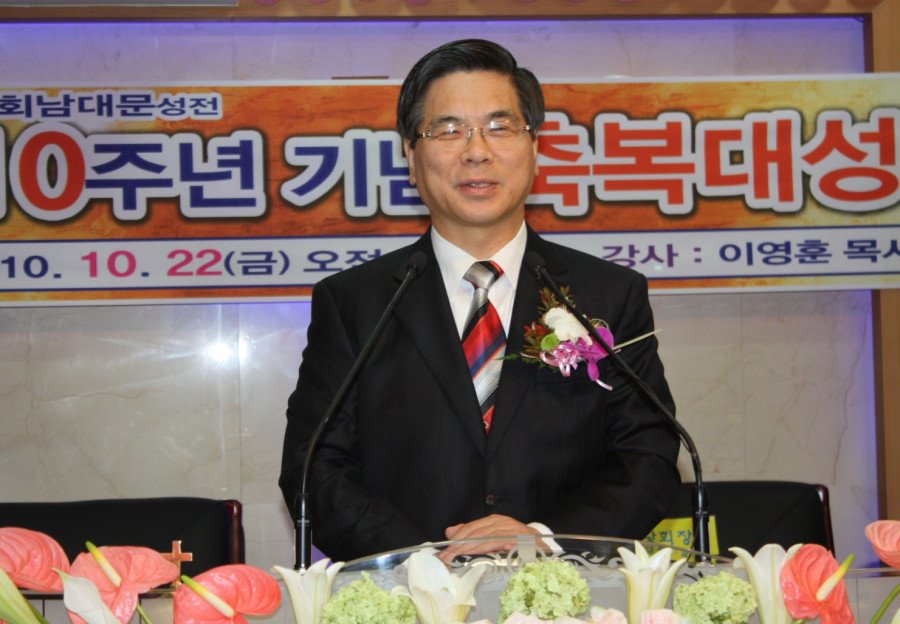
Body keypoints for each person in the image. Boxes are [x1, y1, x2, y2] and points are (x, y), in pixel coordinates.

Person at [279, 38, 680, 563]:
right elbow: (314, 468)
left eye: (499, 126)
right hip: (406, 594)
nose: (476, 151)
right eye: (448, 130)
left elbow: (648, 458)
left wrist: (545, 540)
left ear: (534, 147)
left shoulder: (606, 293)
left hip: (572, 590)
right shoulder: (354, 301)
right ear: (411, 157)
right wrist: (422, 561)